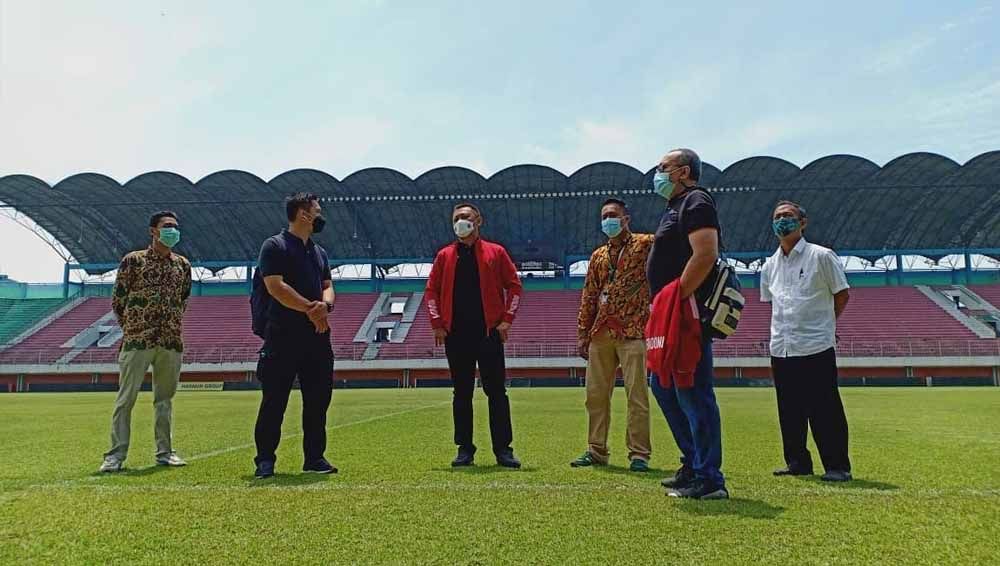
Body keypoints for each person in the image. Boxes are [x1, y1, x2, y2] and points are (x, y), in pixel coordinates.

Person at [646, 148, 729, 499]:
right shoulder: (674, 207)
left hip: (686, 311)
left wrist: (676, 297)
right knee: (663, 385)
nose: (657, 172)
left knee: (692, 391)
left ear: (682, 172)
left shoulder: (697, 201)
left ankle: (710, 478)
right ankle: (692, 462)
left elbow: (706, 253)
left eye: (662, 167)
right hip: (670, 312)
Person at [426, 203, 524, 468]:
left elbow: (515, 287)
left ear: (478, 220)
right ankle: (464, 449)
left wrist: (507, 320)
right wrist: (437, 322)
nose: (461, 222)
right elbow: (431, 291)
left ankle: (503, 449)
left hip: (488, 334)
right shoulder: (444, 256)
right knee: (461, 393)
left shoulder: (496, 252)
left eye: (466, 217)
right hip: (455, 336)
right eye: (457, 218)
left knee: (496, 392)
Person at [760, 201, 853, 482]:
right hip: (782, 346)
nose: (782, 221)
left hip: (815, 344)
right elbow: (773, 303)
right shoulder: (769, 265)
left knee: (824, 407)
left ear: (803, 222)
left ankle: (837, 465)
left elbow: (842, 294)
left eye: (788, 216)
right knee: (789, 409)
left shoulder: (822, 256)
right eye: (777, 217)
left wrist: (825, 325)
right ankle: (797, 461)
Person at [99, 211, 192, 473]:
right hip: (138, 340)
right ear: (153, 230)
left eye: (175, 226)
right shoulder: (133, 261)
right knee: (125, 399)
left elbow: (182, 300)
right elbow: (118, 300)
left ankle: (165, 452)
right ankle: (115, 455)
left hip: (170, 341)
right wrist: (133, 328)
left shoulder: (183, 265)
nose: (172, 230)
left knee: (165, 400)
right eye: (166, 226)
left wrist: (169, 324)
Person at [252, 193, 336, 479]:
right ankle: (265, 459)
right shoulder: (274, 246)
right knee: (274, 400)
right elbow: (275, 287)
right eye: (317, 210)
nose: (320, 215)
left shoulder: (319, 252)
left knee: (318, 400)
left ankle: (314, 457)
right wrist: (309, 309)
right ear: (303, 214)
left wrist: (325, 305)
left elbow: (328, 285)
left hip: (318, 336)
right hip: (282, 335)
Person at [573, 198, 653, 472]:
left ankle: (639, 454)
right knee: (595, 395)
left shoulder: (645, 245)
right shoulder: (597, 256)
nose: (609, 220)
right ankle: (596, 450)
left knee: (637, 395)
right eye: (605, 216)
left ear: (626, 218)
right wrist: (583, 332)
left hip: (633, 331)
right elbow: (589, 294)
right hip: (601, 333)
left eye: (614, 215)